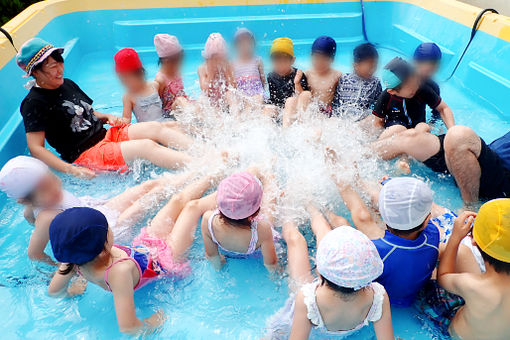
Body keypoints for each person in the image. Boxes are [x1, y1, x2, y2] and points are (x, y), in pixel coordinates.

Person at [47, 174, 219, 334]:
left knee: (177, 200)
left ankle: (215, 174)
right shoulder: (118, 273)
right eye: (108, 229)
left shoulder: (72, 258)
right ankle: (232, 193)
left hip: (146, 244)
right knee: (191, 209)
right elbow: (128, 327)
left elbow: (54, 291)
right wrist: (152, 324)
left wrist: (72, 291)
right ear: (102, 247)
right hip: (166, 261)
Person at [16, 38, 193, 178]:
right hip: (86, 152)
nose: (59, 70)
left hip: (106, 134)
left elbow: (86, 112)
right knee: (146, 147)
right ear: (36, 72)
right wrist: (71, 170)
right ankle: (199, 165)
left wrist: (106, 116)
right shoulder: (34, 103)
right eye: (52, 67)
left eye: (60, 63)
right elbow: (36, 148)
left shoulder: (67, 84)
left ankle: (203, 152)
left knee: (155, 127)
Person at [0, 155, 192, 265]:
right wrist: (62, 268)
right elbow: (34, 254)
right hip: (104, 230)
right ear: (24, 200)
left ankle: (191, 173)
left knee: (147, 187)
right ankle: (196, 180)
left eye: (51, 178)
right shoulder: (46, 217)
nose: (55, 185)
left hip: (94, 210)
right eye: (46, 188)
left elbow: (29, 216)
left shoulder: (32, 207)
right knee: (149, 200)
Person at [266, 213, 394, 339]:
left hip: (310, 325)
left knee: (296, 242)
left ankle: (294, 214)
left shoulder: (308, 299)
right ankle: (314, 210)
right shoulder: (378, 297)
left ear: (320, 273)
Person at [371, 125, 510, 204]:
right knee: (411, 137)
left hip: (501, 181)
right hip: (479, 160)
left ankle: (470, 206)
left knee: (458, 135)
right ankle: (357, 156)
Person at [432, 199, 510, 340]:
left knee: (429, 279)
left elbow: (443, 276)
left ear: (473, 241)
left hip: (454, 334)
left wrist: (455, 238)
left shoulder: (473, 285)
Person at [201, 170, 278, 271]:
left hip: (229, 251)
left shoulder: (208, 220)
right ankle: (270, 176)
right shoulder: (262, 229)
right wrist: (275, 276)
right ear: (256, 212)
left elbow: (211, 255)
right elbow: (271, 263)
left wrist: (218, 267)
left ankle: (265, 173)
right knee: (269, 209)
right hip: (255, 250)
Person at [372, 57, 454, 139]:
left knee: (424, 127)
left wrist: (452, 131)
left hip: (418, 131)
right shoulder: (385, 97)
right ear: (392, 92)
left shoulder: (422, 89)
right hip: (396, 133)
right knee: (397, 129)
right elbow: (378, 123)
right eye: (410, 86)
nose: (416, 86)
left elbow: (443, 109)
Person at [283, 36, 341, 127]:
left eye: (324, 59)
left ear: (332, 60)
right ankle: (285, 131)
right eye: (317, 58)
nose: (319, 62)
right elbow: (301, 96)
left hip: (324, 114)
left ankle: (304, 127)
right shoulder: (307, 74)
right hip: (310, 110)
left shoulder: (337, 76)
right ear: (311, 55)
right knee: (291, 100)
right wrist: (297, 83)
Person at [331, 43, 382, 120]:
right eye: (370, 66)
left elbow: (378, 107)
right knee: (333, 119)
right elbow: (335, 103)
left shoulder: (375, 83)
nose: (373, 69)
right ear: (356, 65)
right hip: (341, 118)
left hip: (361, 121)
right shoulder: (344, 79)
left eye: (375, 65)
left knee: (371, 118)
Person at [115, 48, 166, 123]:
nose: (125, 83)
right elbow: (126, 119)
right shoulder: (128, 96)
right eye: (123, 80)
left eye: (127, 79)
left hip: (164, 123)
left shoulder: (154, 85)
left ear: (141, 73)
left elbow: (165, 106)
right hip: (146, 130)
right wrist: (119, 122)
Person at [266, 37, 309, 109]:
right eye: (276, 61)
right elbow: (274, 100)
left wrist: (297, 83)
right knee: (268, 108)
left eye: (284, 61)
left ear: (292, 60)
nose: (280, 65)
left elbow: (304, 98)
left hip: (294, 108)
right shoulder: (271, 76)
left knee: (290, 101)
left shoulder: (298, 75)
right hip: (279, 109)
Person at [154, 34, 189, 117]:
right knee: (180, 100)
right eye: (177, 60)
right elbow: (156, 107)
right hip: (170, 114)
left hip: (184, 106)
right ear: (167, 61)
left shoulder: (176, 72)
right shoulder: (160, 79)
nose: (180, 63)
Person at [198, 33, 236, 109]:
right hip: (211, 100)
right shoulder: (202, 68)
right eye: (214, 58)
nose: (217, 61)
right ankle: (215, 118)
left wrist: (227, 73)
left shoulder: (228, 65)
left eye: (220, 58)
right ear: (208, 58)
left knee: (230, 94)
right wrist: (211, 74)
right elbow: (204, 90)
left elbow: (234, 86)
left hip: (225, 101)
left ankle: (236, 116)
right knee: (201, 100)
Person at [232, 28, 266, 103]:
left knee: (258, 99)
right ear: (236, 46)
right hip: (241, 94)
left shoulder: (257, 60)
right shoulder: (233, 63)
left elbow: (263, 80)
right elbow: (233, 84)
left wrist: (263, 93)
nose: (245, 45)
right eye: (241, 43)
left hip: (256, 93)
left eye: (248, 42)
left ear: (253, 44)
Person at [413, 42, 442, 121]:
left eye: (431, 69)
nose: (428, 73)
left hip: (419, 125)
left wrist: (432, 123)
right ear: (415, 63)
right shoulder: (402, 79)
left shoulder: (433, 87)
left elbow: (438, 112)